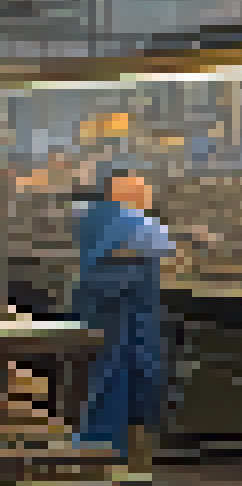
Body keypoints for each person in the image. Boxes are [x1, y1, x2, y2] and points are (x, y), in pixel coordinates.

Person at [71, 166, 178, 466]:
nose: (146, 194)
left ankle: (115, 459)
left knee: (123, 386)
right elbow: (161, 244)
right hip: (115, 316)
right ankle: (101, 458)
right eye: (138, 188)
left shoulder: (106, 220)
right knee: (111, 385)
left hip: (126, 317)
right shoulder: (118, 219)